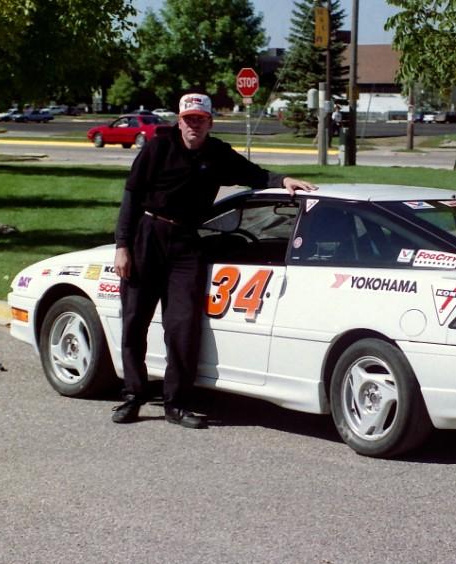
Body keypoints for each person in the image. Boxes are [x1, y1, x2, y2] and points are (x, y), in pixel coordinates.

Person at [111, 92, 317, 428]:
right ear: (179, 121)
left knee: (183, 325)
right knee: (135, 320)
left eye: (200, 119)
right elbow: (131, 196)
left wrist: (283, 181)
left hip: (186, 242)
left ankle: (176, 403)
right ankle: (133, 396)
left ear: (210, 122)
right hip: (146, 235)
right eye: (188, 119)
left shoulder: (217, 153)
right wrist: (123, 246)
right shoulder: (157, 148)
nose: (194, 125)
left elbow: (255, 174)